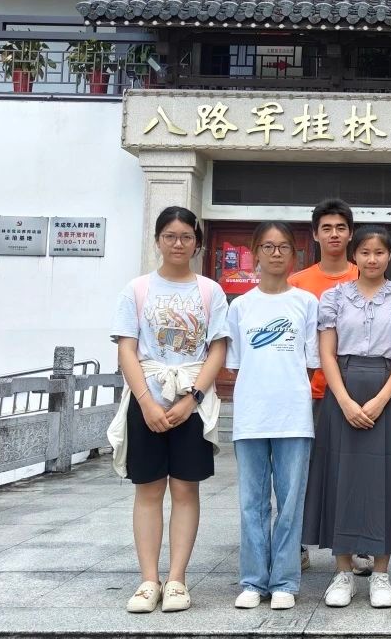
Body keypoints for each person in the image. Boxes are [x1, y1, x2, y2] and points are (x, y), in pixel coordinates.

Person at [109, 206, 230, 613]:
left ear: (198, 243)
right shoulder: (137, 289)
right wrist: (146, 402)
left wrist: (192, 398)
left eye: (186, 237)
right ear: (158, 240)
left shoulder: (211, 291)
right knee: (147, 490)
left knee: (184, 489)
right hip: (147, 399)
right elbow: (127, 348)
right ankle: (148, 580)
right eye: (170, 236)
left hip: (190, 403)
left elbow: (217, 348)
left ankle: (177, 579)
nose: (178, 244)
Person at [302, 225, 391, 609]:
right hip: (343, 389)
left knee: (386, 478)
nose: (372, 259)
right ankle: (342, 572)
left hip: (390, 391)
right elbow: (326, 352)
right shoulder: (335, 297)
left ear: (389, 256)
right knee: (341, 478)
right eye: (365, 252)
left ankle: (382, 574)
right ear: (354, 255)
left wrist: (382, 399)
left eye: (379, 252)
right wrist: (344, 400)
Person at [226, 222, 320, 611]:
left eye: (283, 247)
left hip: (294, 416)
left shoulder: (306, 303)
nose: (276, 253)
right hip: (251, 416)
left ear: (294, 254)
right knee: (252, 502)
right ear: (255, 254)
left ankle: (284, 580)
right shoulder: (240, 307)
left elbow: (311, 362)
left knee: (290, 502)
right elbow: (235, 364)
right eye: (268, 246)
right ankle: (253, 580)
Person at [288, 198, 371, 575]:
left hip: (355, 394)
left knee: (354, 470)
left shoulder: (365, 275)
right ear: (315, 234)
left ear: (351, 234)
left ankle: (357, 544)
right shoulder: (298, 283)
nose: (334, 234)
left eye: (341, 228)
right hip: (309, 393)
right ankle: (297, 543)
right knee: (301, 470)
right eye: (327, 228)